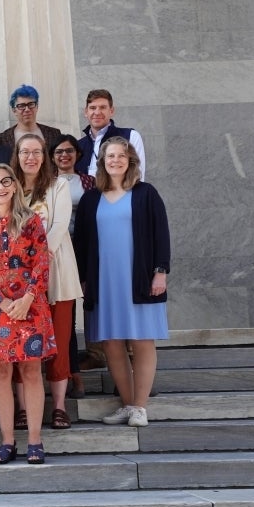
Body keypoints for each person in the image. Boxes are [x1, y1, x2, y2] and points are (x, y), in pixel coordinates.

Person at [73, 137, 169, 428]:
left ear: (131, 160)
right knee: (111, 343)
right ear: (102, 161)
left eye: (121, 156)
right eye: (110, 156)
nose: (115, 160)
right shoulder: (92, 198)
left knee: (141, 340)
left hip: (138, 277)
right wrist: (83, 279)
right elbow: (82, 242)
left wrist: (160, 271)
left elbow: (161, 234)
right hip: (104, 281)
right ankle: (127, 405)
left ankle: (140, 406)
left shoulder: (146, 193)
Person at [0, 164, 56, 464]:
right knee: (1, 373)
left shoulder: (31, 221)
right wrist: (2, 302)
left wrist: (28, 297)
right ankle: (7, 441)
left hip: (31, 307)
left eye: (6, 181)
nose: (1, 187)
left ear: (15, 186)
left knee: (31, 371)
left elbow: (42, 262)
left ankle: (34, 440)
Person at [11, 134, 83, 430]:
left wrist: (37, 257)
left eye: (37, 152)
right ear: (17, 155)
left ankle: (58, 407)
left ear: (45, 156)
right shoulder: (9, 187)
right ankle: (24, 408)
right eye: (25, 152)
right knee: (20, 342)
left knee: (59, 341)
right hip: (17, 277)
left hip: (55, 271)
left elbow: (58, 225)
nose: (31, 157)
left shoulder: (59, 186)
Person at [50, 134, 98, 396]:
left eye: (69, 151)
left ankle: (93, 358)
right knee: (63, 314)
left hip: (83, 248)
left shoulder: (88, 181)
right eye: (58, 152)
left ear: (77, 154)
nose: (64, 156)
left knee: (85, 305)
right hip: (57, 251)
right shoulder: (48, 182)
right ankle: (69, 373)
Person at [76, 89, 146, 179]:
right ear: (86, 112)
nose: (97, 112)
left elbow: (138, 176)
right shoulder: (78, 146)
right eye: (93, 108)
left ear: (111, 111)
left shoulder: (131, 136)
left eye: (103, 107)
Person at [0, 85, 62, 149]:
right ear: (14, 110)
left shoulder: (54, 134)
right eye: (21, 106)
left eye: (31, 104)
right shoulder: (0, 140)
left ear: (37, 107)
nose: (27, 109)